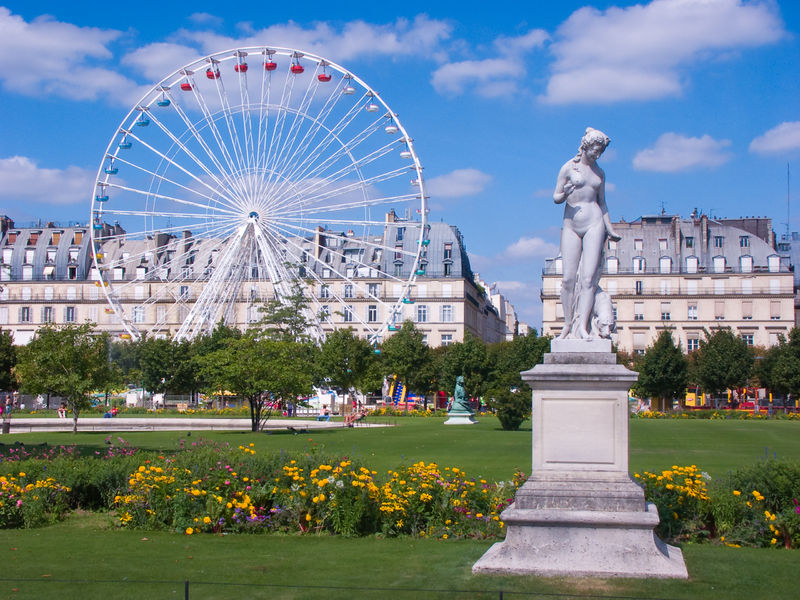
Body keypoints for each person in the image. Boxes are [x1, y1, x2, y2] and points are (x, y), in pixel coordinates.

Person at [553, 127, 620, 340]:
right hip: (571, 224)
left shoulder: (599, 173)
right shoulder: (567, 167)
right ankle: (566, 324)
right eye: (595, 150)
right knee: (567, 280)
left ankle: (582, 326)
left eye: (600, 152)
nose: (597, 155)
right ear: (586, 146)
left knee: (589, 279)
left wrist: (610, 228)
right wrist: (565, 192)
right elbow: (555, 197)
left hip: (595, 222)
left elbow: (602, 202)